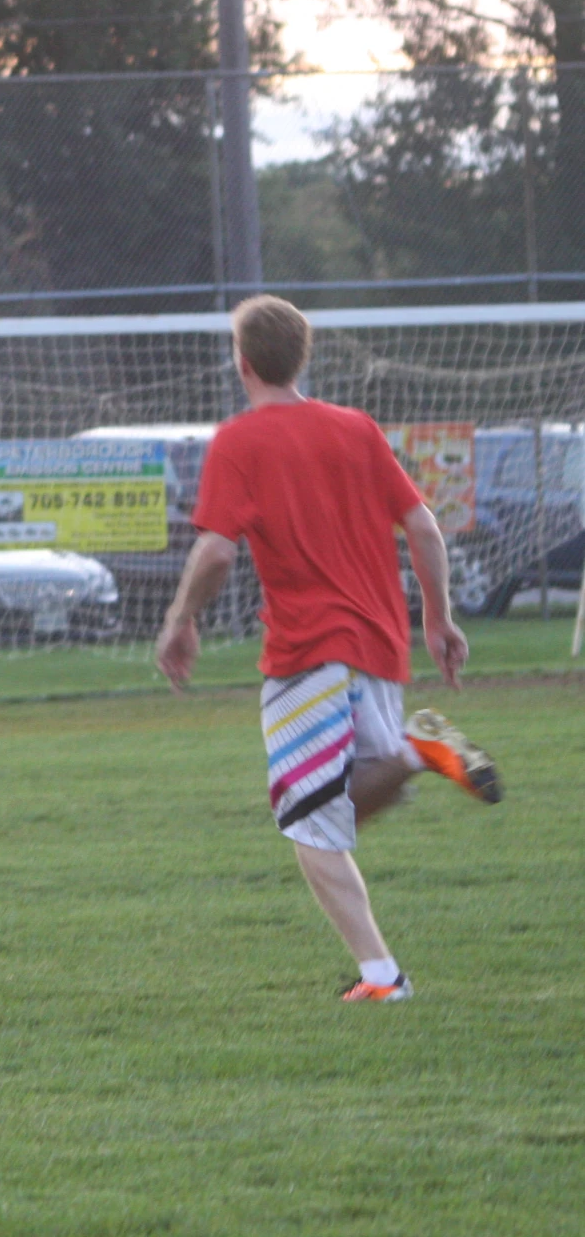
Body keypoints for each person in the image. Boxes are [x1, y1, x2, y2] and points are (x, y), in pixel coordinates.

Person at [156, 294, 501, 1003]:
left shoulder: (240, 441)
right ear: (302, 358)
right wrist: (438, 618)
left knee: (308, 823)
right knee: (338, 803)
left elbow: (218, 548)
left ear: (242, 363)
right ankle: (419, 747)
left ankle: (383, 976)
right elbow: (425, 529)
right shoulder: (356, 428)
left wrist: (181, 619)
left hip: (307, 651)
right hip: (378, 643)